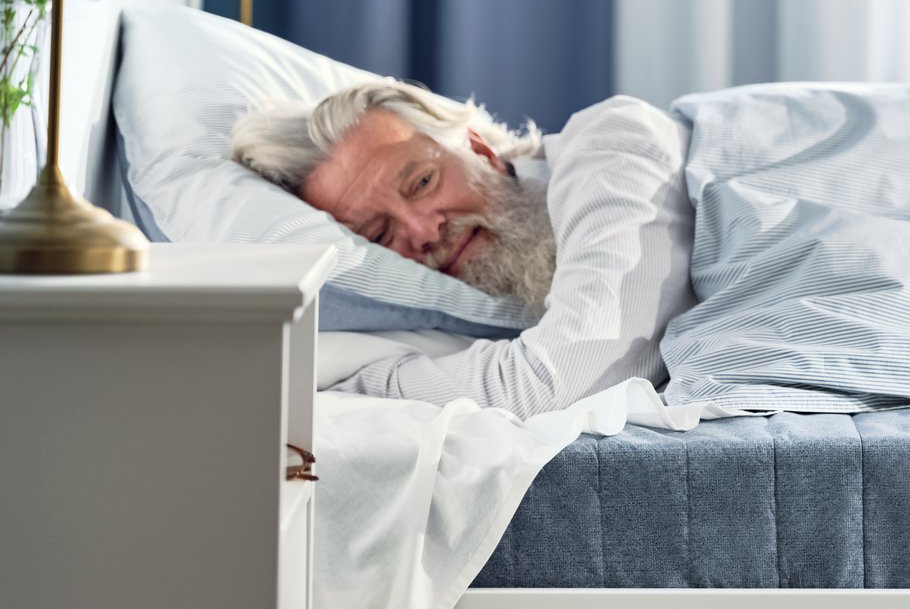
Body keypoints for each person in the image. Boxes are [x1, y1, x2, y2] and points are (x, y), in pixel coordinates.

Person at [230, 82, 694, 416]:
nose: (423, 231)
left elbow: (563, 378)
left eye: (423, 183)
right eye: (378, 234)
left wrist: (352, 389)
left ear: (479, 149)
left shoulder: (610, 144)